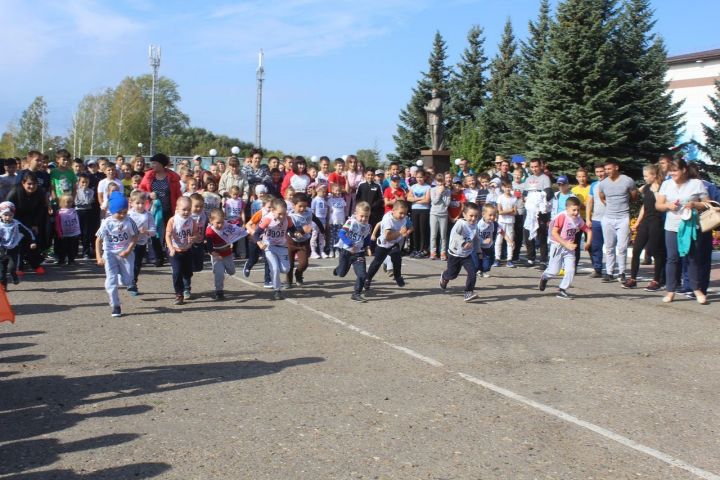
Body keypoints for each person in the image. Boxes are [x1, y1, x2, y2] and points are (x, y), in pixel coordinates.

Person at [654, 158, 709, 304]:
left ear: (684, 170)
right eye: (670, 171)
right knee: (672, 258)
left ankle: (697, 290)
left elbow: (707, 204)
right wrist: (667, 206)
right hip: (671, 226)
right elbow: (658, 205)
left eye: (675, 170)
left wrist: (695, 203)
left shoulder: (696, 183)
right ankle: (670, 291)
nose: (672, 173)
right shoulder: (666, 184)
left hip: (691, 226)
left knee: (692, 258)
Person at [538, 196, 592, 299]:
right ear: (567, 208)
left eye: (578, 210)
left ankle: (562, 290)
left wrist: (588, 242)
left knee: (571, 270)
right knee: (554, 271)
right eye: (574, 210)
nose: (576, 212)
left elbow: (588, 231)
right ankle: (545, 277)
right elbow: (554, 233)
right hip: (558, 246)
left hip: (569, 248)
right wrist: (565, 243)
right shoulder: (562, 217)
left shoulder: (578, 220)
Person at [95, 192, 138, 317]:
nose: (123, 215)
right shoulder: (106, 223)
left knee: (128, 280)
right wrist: (99, 256)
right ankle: (115, 305)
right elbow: (98, 240)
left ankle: (123, 277)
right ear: (111, 210)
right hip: (110, 254)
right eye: (119, 212)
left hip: (125, 254)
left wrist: (129, 250)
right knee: (111, 280)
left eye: (125, 212)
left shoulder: (129, 221)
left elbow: (135, 236)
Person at [622, 165, 665, 290]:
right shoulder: (645, 188)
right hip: (645, 222)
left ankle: (656, 280)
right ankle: (632, 279)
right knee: (636, 250)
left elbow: (660, 204)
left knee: (655, 250)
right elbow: (644, 207)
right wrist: (637, 222)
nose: (644, 178)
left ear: (654, 175)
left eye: (646, 176)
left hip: (657, 222)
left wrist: (656, 190)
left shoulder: (663, 188)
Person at [597, 159, 638, 283]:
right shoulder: (603, 183)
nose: (607, 171)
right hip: (608, 217)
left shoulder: (627, 180)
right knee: (609, 246)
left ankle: (622, 272)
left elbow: (634, 195)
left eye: (609, 169)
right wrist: (609, 204)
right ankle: (609, 272)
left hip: (623, 217)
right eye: (606, 169)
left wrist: (624, 204)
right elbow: (601, 196)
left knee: (622, 247)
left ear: (616, 167)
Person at [253, 198, 297, 300]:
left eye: (284, 213)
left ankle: (277, 281)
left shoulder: (288, 219)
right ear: (272, 211)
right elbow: (256, 234)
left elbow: (292, 229)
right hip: (269, 247)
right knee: (275, 269)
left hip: (282, 246)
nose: (282, 216)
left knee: (286, 269)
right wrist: (259, 242)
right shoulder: (267, 219)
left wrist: (297, 233)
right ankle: (277, 291)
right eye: (279, 214)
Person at [364, 200, 412, 291]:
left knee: (397, 257)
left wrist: (407, 232)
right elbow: (388, 237)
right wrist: (400, 233)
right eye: (401, 213)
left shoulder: (404, 218)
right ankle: (368, 279)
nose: (403, 216)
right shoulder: (388, 219)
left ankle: (398, 276)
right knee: (377, 263)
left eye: (405, 213)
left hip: (394, 243)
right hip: (384, 244)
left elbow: (411, 227)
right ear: (393, 210)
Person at [439, 202, 482, 302]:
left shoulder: (475, 225)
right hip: (455, 254)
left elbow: (476, 239)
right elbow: (455, 235)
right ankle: (444, 277)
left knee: (472, 273)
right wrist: (463, 243)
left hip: (466, 255)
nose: (473, 218)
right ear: (464, 215)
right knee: (452, 274)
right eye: (471, 216)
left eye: (476, 216)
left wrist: (479, 251)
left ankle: (468, 292)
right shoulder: (460, 224)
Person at [7, 171, 48, 274]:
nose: (32, 186)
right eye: (29, 184)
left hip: (31, 219)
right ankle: (18, 267)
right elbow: (7, 208)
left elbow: (41, 209)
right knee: (18, 244)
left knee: (33, 242)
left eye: (34, 184)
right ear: (23, 183)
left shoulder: (40, 192)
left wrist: (35, 224)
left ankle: (35, 265)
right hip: (16, 219)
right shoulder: (15, 191)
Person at [333, 202, 373, 302]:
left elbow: (367, 237)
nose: (364, 219)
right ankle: (338, 269)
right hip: (346, 252)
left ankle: (356, 293)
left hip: (359, 253)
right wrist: (350, 244)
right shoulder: (351, 222)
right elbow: (341, 234)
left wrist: (368, 246)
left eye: (366, 217)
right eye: (362, 216)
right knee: (341, 273)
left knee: (362, 274)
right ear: (356, 214)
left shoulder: (368, 226)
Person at [205, 208, 247, 300]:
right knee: (219, 274)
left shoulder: (228, 226)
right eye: (217, 223)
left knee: (232, 271)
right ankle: (219, 291)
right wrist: (213, 253)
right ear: (211, 221)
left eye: (222, 222)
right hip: (216, 255)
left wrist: (246, 231)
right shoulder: (210, 231)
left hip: (227, 254)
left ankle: (222, 269)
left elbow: (237, 231)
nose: (220, 225)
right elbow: (208, 246)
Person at [286, 192, 324, 287]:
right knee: (289, 264)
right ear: (294, 205)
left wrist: (323, 231)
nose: (303, 209)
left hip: (303, 242)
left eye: (305, 206)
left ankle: (298, 274)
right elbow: (291, 232)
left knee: (304, 264)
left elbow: (316, 220)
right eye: (300, 206)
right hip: (290, 242)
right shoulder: (290, 216)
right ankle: (288, 282)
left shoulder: (309, 213)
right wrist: (302, 231)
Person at [166, 196, 198, 305]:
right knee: (177, 272)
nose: (186, 212)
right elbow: (168, 235)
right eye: (184, 209)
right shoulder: (173, 220)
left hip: (187, 250)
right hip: (175, 250)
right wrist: (170, 248)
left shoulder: (192, 221)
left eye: (189, 209)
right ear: (177, 208)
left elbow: (196, 235)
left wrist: (193, 238)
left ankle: (187, 287)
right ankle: (179, 294)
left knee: (188, 272)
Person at [0, 201, 36, 288]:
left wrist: (32, 241)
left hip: (13, 249)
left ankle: (14, 276)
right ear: (1, 215)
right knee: (1, 271)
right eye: (5, 215)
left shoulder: (16, 224)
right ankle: (3, 286)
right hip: (1, 250)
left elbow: (27, 232)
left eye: (10, 215)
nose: (8, 217)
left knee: (11, 268)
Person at [127, 190, 156, 296]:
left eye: (142, 203)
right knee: (128, 263)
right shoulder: (128, 214)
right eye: (137, 203)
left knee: (137, 264)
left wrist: (147, 231)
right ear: (131, 203)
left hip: (141, 243)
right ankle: (128, 280)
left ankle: (133, 283)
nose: (140, 206)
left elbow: (153, 231)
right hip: (128, 243)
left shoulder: (148, 215)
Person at [585, 163, 607, 277]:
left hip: (609, 219)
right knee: (595, 246)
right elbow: (589, 202)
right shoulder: (594, 185)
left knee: (610, 245)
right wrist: (588, 218)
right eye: (597, 172)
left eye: (601, 171)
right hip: (596, 220)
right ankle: (597, 269)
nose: (599, 174)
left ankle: (611, 271)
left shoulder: (610, 184)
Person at [407, 168, 431, 257]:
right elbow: (409, 198)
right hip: (414, 210)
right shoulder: (413, 187)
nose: (419, 179)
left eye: (421, 177)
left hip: (424, 210)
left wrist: (415, 200)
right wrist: (420, 199)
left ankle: (422, 249)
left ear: (424, 177)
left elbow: (427, 200)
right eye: (417, 177)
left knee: (423, 230)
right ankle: (415, 249)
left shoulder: (427, 187)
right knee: (415, 229)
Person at [495, 181, 518, 268]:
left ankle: (509, 259)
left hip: (510, 222)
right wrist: (510, 211)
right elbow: (500, 212)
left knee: (510, 241)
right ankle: (497, 259)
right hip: (501, 222)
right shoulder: (500, 197)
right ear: (503, 188)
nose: (507, 189)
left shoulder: (514, 198)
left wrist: (510, 211)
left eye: (509, 187)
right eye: (506, 187)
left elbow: (515, 212)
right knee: (498, 241)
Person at [74, 174, 97, 259]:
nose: (84, 184)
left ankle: (86, 252)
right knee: (76, 231)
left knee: (86, 232)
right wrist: (84, 201)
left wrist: (84, 193)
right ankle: (74, 252)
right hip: (78, 211)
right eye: (82, 182)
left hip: (88, 212)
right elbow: (76, 202)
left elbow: (88, 201)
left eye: (86, 182)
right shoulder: (76, 191)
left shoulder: (91, 191)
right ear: (79, 182)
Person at [429, 173, 450, 260]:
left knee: (443, 235)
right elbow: (434, 201)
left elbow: (447, 203)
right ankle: (433, 252)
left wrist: (443, 193)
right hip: (434, 213)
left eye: (441, 181)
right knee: (433, 234)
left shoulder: (448, 191)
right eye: (438, 181)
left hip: (443, 214)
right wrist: (439, 193)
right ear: (436, 181)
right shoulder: (433, 190)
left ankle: (443, 252)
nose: (440, 183)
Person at [54, 194, 80, 264]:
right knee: (62, 248)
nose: (69, 204)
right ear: (62, 203)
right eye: (67, 202)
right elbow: (58, 224)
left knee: (72, 248)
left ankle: (71, 260)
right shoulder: (59, 212)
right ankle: (61, 260)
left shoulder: (74, 211)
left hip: (73, 233)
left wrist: (78, 232)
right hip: (63, 234)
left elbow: (76, 221)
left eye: (71, 202)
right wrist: (59, 233)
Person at [327, 183, 347, 257]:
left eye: (339, 191)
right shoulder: (330, 200)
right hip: (333, 221)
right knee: (332, 236)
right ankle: (331, 250)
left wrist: (344, 220)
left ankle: (337, 250)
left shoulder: (342, 200)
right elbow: (329, 211)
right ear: (332, 191)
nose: (338, 192)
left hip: (340, 221)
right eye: (336, 191)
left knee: (339, 236)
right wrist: (328, 221)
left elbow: (344, 210)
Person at [310, 184, 329, 259]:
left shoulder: (324, 200)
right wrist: (313, 221)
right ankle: (313, 251)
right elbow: (312, 212)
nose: (324, 193)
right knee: (314, 235)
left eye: (325, 192)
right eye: (323, 192)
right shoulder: (315, 200)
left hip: (323, 220)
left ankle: (321, 251)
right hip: (316, 220)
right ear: (318, 191)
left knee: (322, 236)